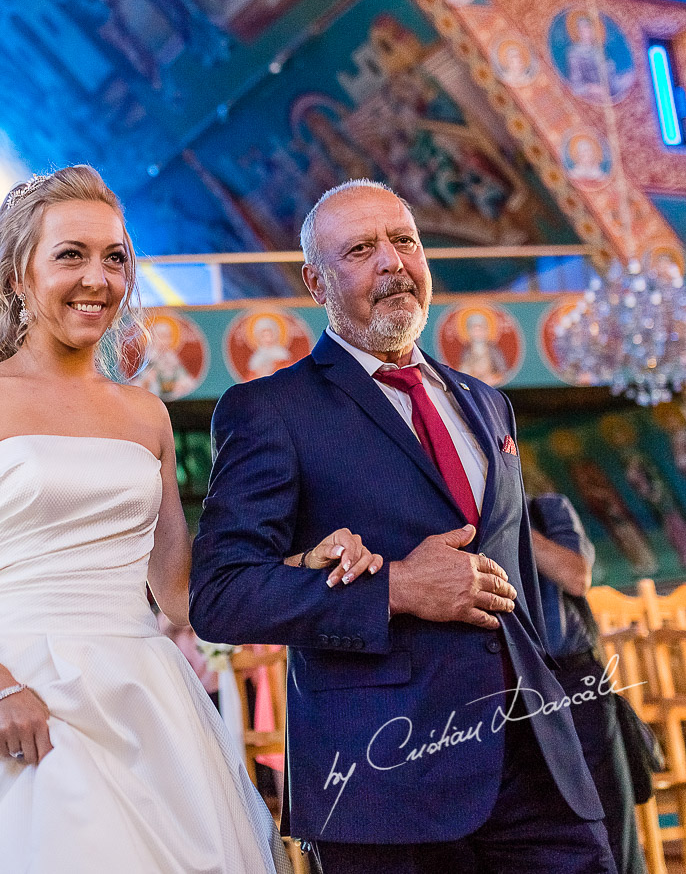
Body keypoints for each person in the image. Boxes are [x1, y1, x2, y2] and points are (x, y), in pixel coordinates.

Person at [0, 166, 375, 873]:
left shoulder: (144, 414)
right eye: (71, 255)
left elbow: (183, 595)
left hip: (142, 703)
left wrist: (300, 566)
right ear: (17, 274)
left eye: (115, 257)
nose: (98, 278)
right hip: (11, 694)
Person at [190, 179, 611, 873]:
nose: (392, 261)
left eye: (404, 240)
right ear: (316, 282)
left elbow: (518, 580)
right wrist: (397, 589)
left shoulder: (487, 403)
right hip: (385, 778)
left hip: (537, 765)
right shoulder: (270, 410)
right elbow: (221, 595)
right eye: (360, 248)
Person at [529, 492, 646, 874]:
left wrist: (507, 520)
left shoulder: (545, 509)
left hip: (575, 681)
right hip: (512, 693)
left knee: (612, 827)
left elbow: (576, 576)